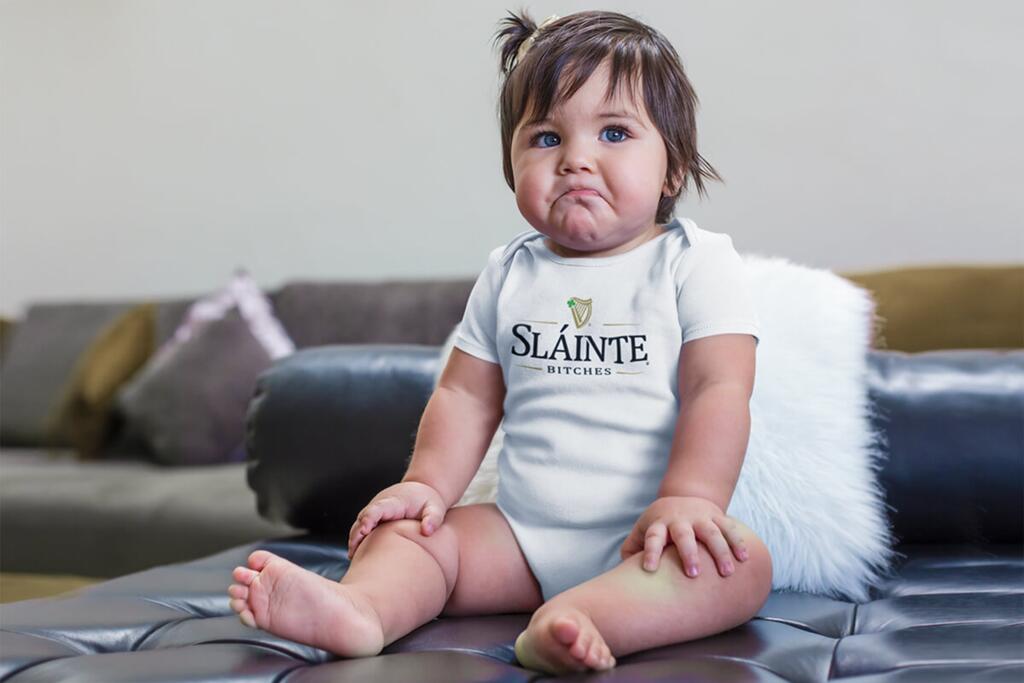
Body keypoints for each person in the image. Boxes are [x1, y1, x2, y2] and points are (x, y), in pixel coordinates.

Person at [227, 9, 773, 675]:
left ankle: (584, 618)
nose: (576, 158)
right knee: (412, 535)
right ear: (512, 164)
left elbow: (719, 386)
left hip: (644, 538)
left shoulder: (695, 262)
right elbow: (464, 395)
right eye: (546, 138)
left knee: (741, 565)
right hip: (516, 535)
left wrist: (692, 495)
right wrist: (426, 483)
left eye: (614, 131)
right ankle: (362, 610)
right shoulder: (511, 271)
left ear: (673, 168)